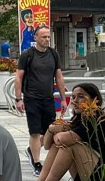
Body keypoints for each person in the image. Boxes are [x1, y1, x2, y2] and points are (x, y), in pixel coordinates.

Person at [39, 81, 105, 181]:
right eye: (73, 97)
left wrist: (58, 131)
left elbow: (61, 140)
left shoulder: (96, 118)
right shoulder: (81, 118)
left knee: (69, 146)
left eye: (80, 97)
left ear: (95, 100)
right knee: (57, 146)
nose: (75, 101)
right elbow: (46, 145)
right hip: (93, 175)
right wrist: (51, 129)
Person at [14, 25, 66, 173]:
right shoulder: (27, 55)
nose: (47, 39)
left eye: (48, 37)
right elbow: (18, 77)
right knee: (35, 132)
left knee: (51, 131)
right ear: (35, 38)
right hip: (31, 98)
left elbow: (59, 77)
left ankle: (32, 151)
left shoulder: (53, 54)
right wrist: (18, 99)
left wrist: (63, 99)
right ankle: (37, 163)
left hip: (48, 98)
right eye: (43, 37)